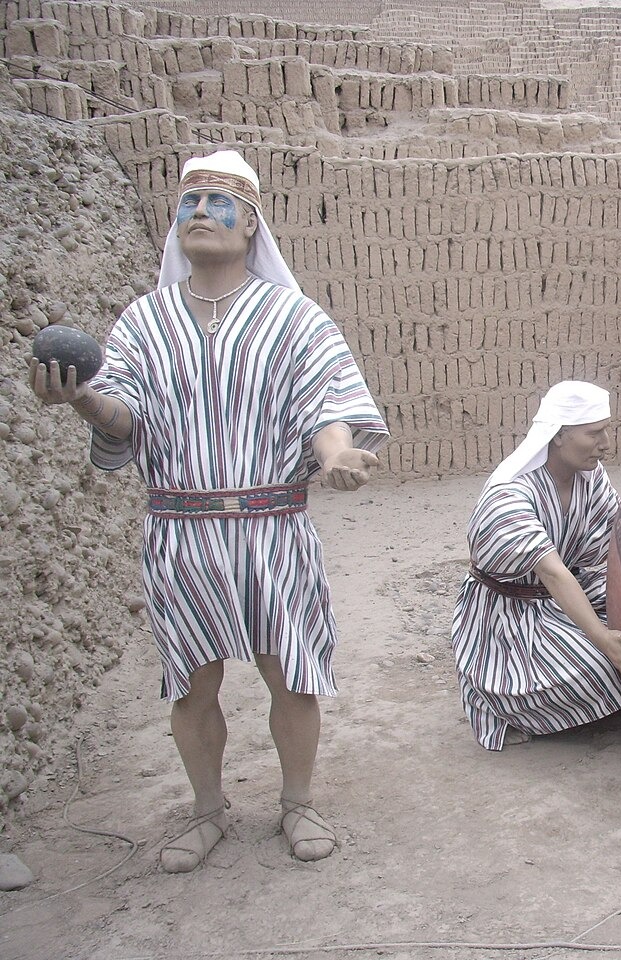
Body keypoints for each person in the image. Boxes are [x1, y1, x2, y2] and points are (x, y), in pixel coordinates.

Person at [28, 149, 388, 870]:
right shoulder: (143, 320)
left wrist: (336, 452)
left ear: (251, 225)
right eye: (190, 203)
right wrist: (81, 399)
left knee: (291, 674)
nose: (201, 214)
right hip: (180, 531)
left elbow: (323, 400)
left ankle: (297, 803)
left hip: (272, 529)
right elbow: (124, 417)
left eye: (218, 203)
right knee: (191, 684)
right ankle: (207, 811)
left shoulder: (292, 315)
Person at [450, 381, 621, 750]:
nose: (605, 442)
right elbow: (553, 573)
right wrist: (604, 640)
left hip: (570, 593)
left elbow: (614, 544)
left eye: (606, 429)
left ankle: (613, 694)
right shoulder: (509, 495)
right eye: (593, 433)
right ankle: (502, 702)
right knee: (599, 665)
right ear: (558, 436)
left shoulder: (591, 477)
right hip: (511, 615)